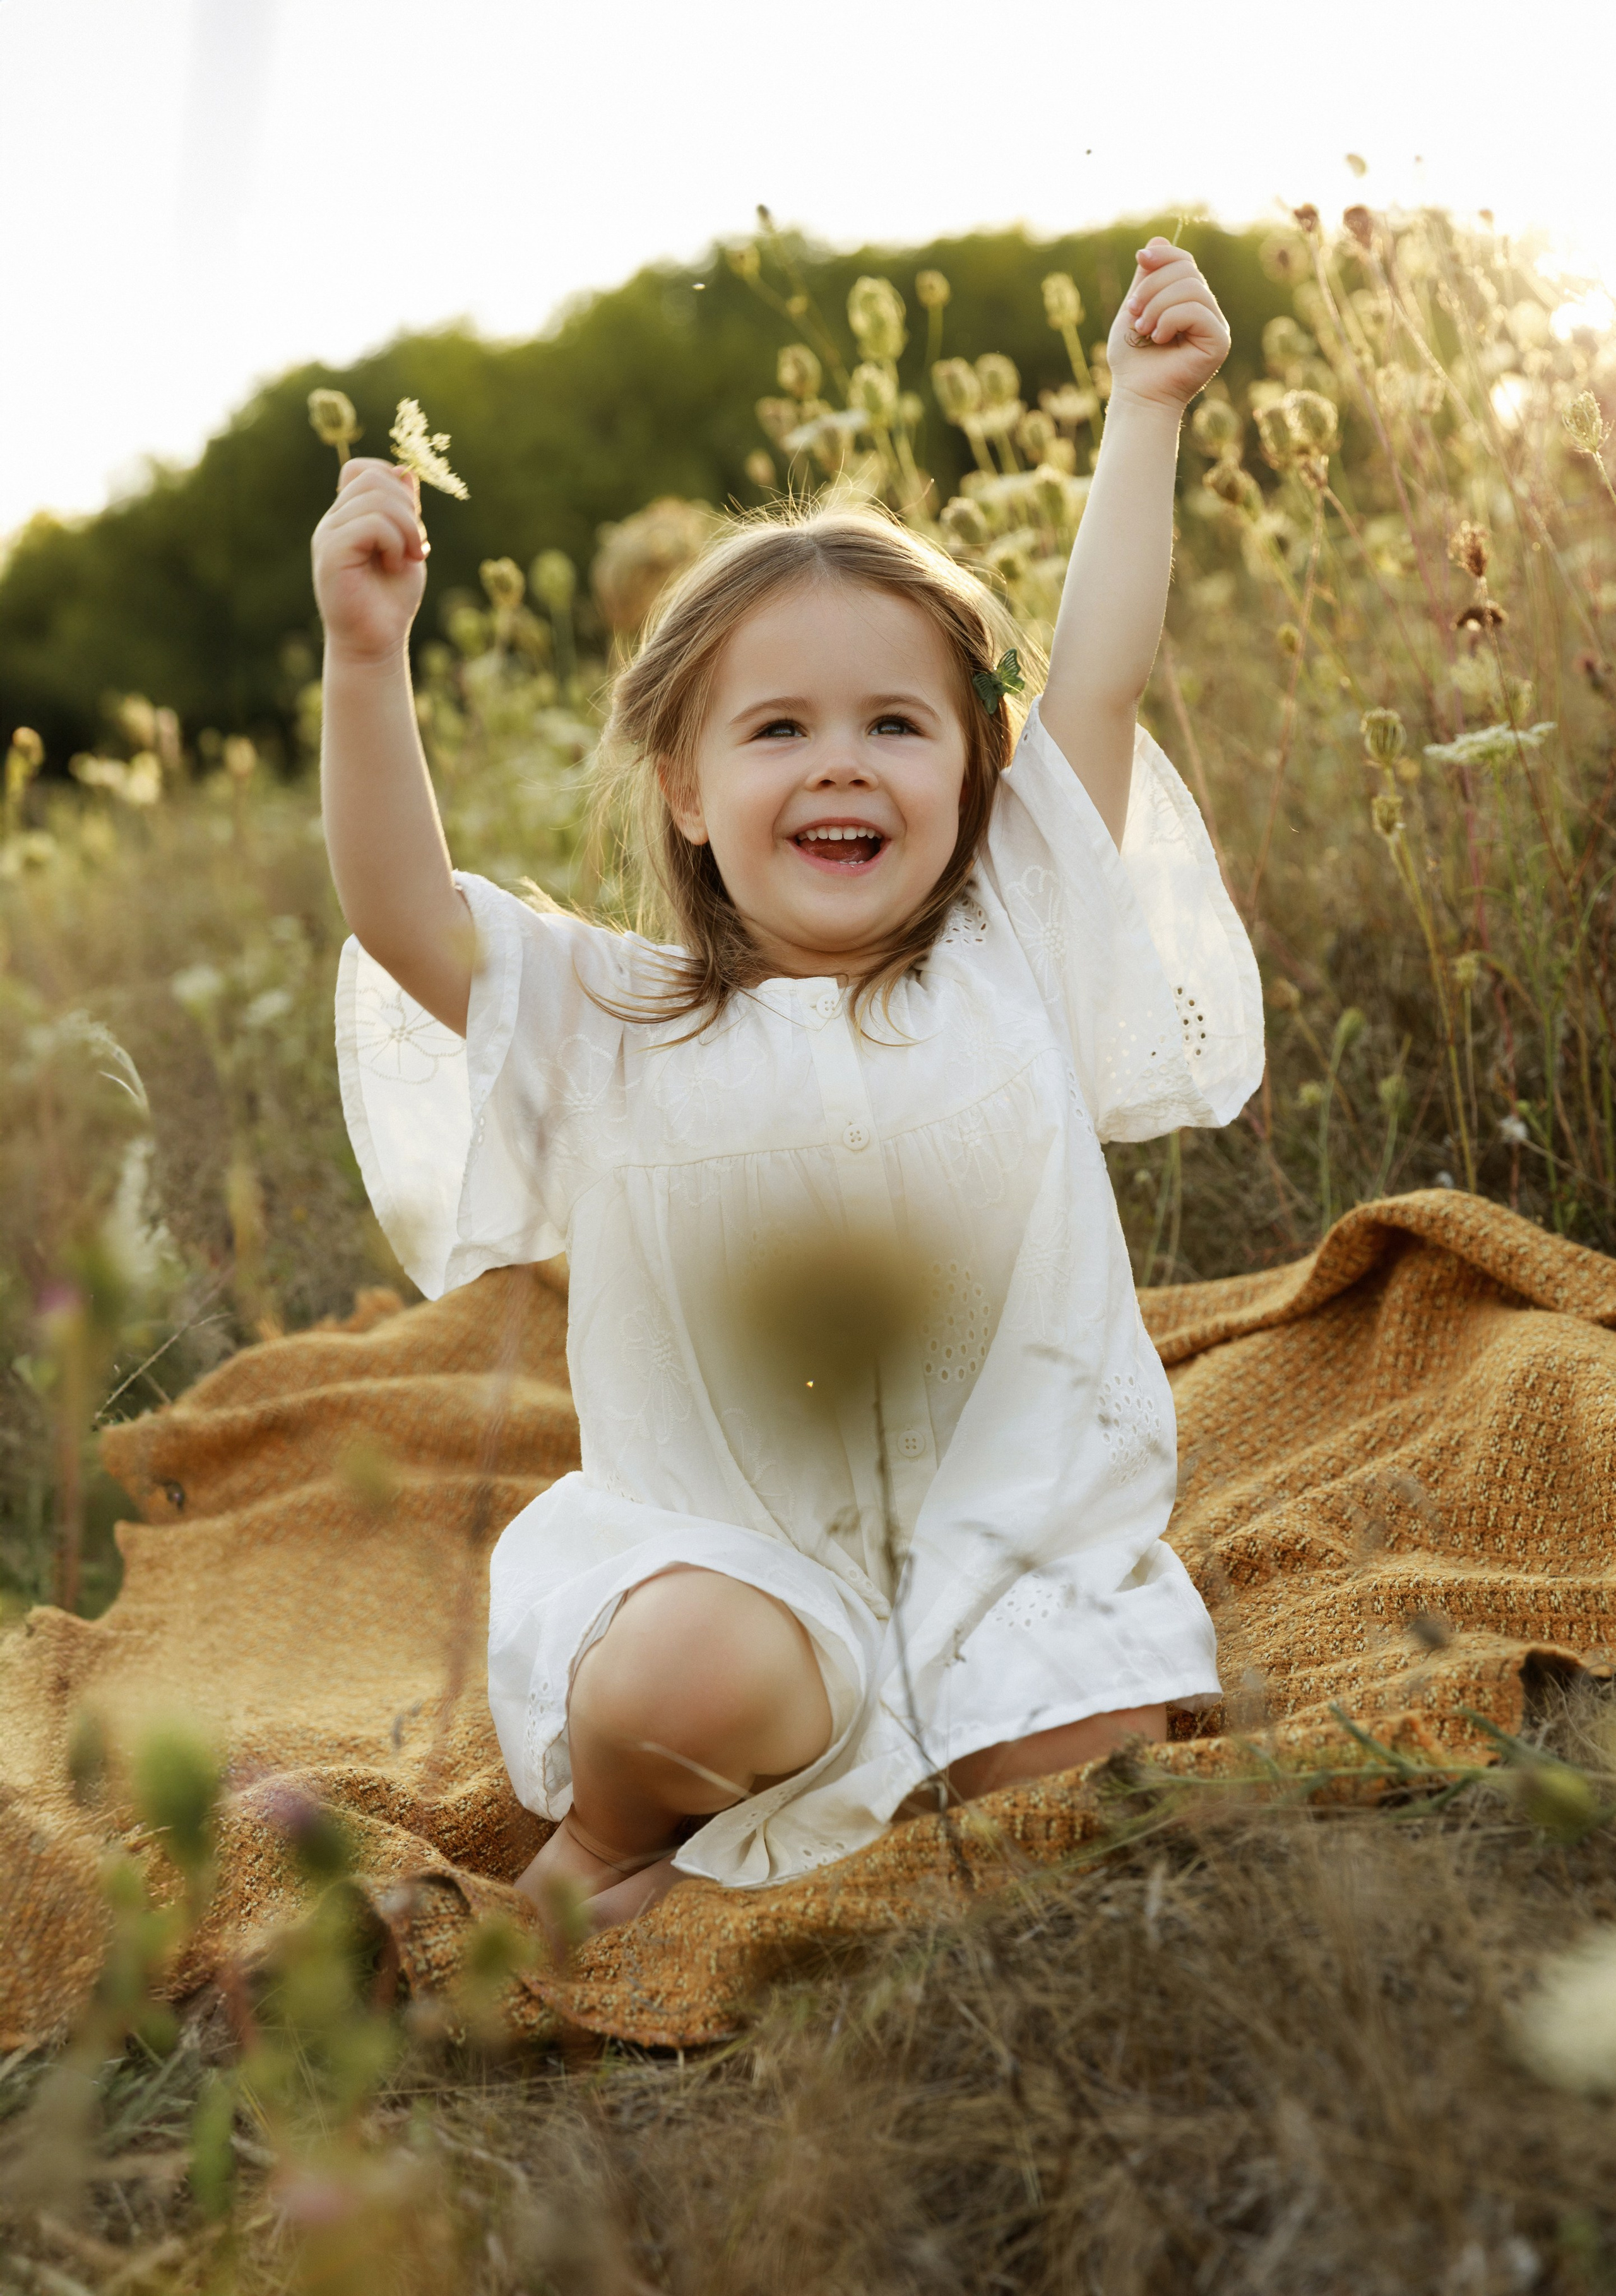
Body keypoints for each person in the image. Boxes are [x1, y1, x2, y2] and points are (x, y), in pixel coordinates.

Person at [312, 237, 1262, 1934]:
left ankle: (899, 1793)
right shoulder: (623, 1013)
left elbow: (1099, 676)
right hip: (746, 1575)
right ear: (684, 789)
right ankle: (603, 1857)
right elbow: (399, 915)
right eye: (777, 732)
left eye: (899, 724)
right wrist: (369, 658)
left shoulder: (1011, 955)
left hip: (1010, 1550)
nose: (841, 757)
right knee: (682, 1685)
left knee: (1093, 1791)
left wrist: (1145, 411)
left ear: (978, 777)